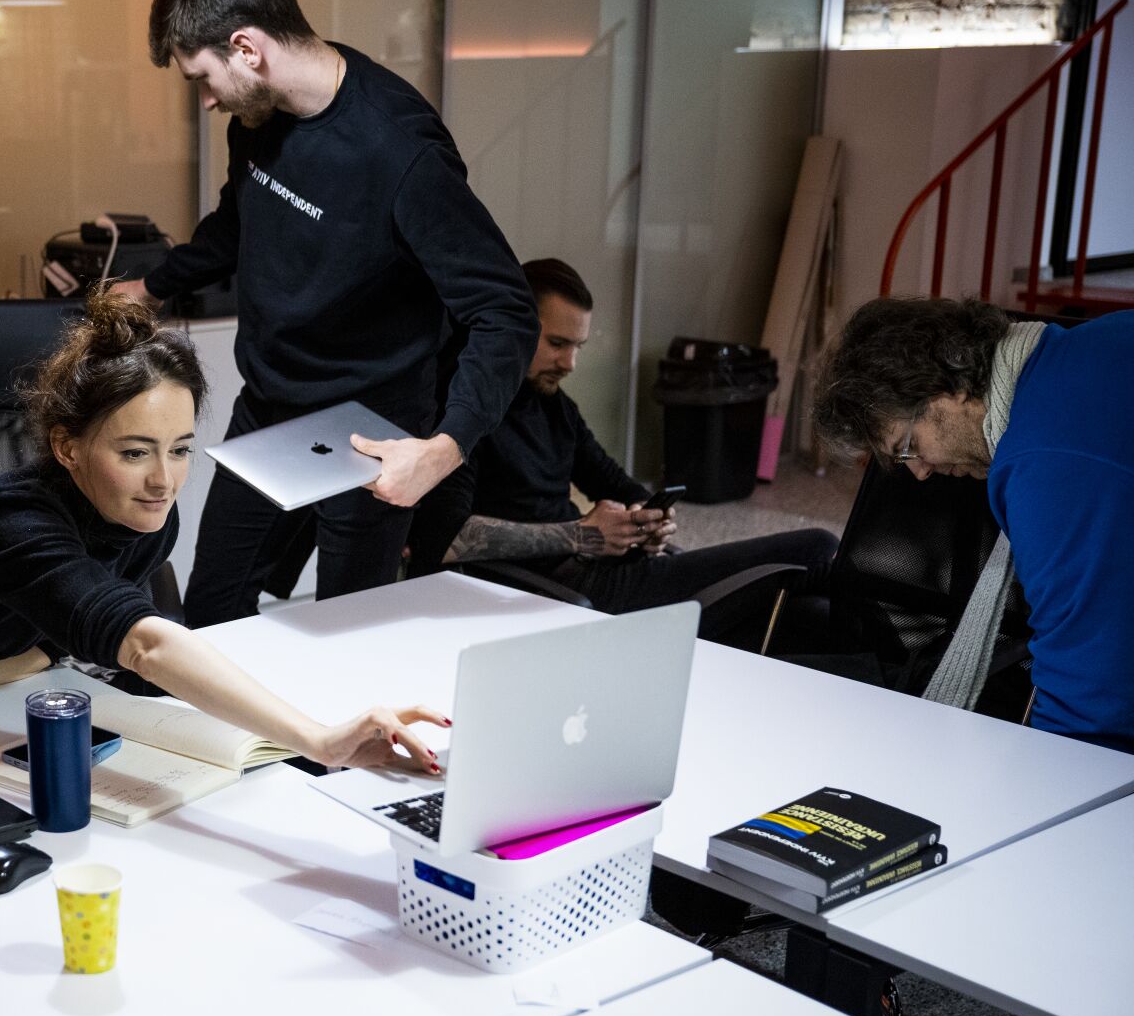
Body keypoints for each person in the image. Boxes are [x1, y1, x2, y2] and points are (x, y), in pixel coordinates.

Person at [0, 289, 447, 774]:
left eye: (181, 448)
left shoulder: (143, 519)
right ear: (68, 446)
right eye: (134, 452)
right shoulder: (15, 528)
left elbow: (50, 648)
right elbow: (145, 646)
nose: (165, 480)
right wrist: (321, 738)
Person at [112, 0, 537, 628]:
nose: (208, 102)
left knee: (346, 636)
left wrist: (443, 448)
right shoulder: (258, 117)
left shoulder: (400, 151)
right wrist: (155, 285)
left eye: (202, 79)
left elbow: (505, 311)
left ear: (247, 48)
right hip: (270, 406)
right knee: (213, 616)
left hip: (369, 429)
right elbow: (238, 220)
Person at [415, 258, 839, 616]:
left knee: (813, 609)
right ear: (513, 327)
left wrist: (648, 518)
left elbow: (613, 481)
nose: (571, 363)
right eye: (558, 344)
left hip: (601, 568)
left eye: (578, 346)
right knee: (818, 547)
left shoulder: (552, 404)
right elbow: (443, 537)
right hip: (561, 587)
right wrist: (582, 534)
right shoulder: (463, 409)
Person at [814, 297, 1134, 752]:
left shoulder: (1044, 468)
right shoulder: (1098, 339)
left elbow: (1091, 703)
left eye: (907, 445)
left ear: (952, 387)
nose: (920, 471)